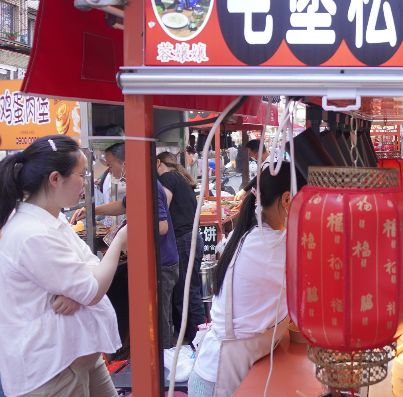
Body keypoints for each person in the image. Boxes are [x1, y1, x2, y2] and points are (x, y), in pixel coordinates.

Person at [0, 135, 126, 396]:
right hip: (53, 369)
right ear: (55, 178)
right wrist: (119, 240)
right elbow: (92, 289)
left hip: (78, 355)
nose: (86, 182)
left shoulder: (52, 221)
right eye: (82, 174)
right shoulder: (32, 233)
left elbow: (90, 263)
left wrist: (77, 291)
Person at [188, 163, 302, 396]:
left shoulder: (255, 234)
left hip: (222, 366)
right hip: (218, 377)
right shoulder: (270, 245)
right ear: (287, 199)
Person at [72, 142, 179, 349]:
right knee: (158, 316)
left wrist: (125, 232)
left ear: (126, 164)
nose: (110, 171)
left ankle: (163, 359)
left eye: (111, 166)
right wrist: (91, 211)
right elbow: (123, 206)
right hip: (156, 261)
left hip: (161, 262)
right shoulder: (138, 183)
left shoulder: (148, 185)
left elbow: (162, 226)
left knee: (159, 319)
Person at [157, 151, 207, 345]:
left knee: (188, 292)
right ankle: (196, 338)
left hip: (184, 240)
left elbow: (163, 207)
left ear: (158, 163)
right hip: (191, 239)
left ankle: (199, 340)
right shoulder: (180, 177)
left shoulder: (167, 178)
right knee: (188, 291)